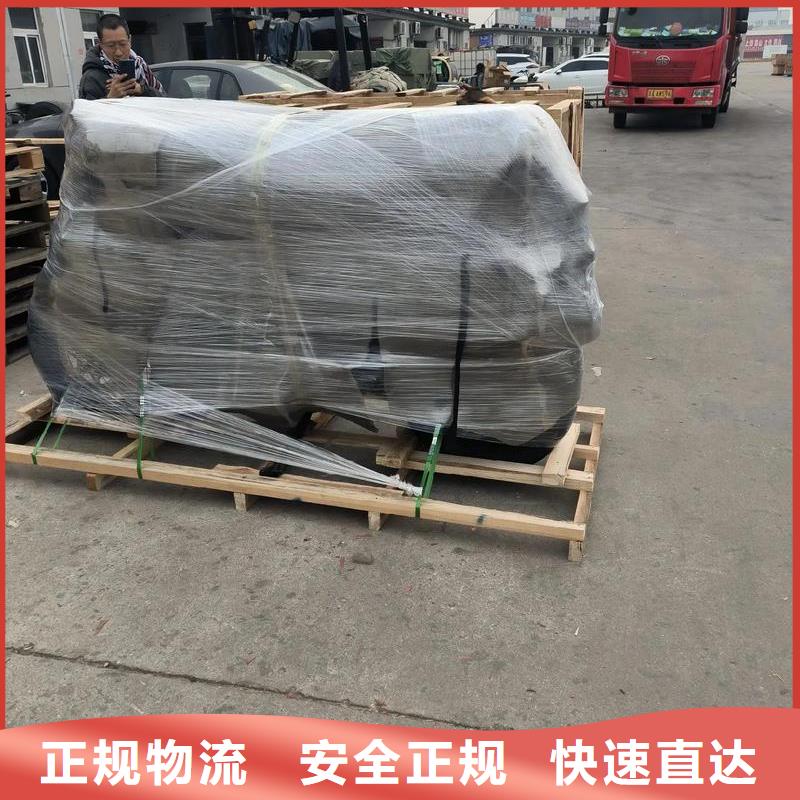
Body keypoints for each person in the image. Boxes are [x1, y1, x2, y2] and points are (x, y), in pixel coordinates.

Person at [79, 14, 164, 100]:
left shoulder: (141, 66)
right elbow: (85, 108)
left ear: (129, 40)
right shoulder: (91, 78)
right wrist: (110, 98)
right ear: (101, 44)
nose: (118, 53)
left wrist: (142, 90)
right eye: (111, 45)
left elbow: (164, 99)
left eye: (122, 44)